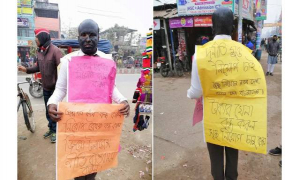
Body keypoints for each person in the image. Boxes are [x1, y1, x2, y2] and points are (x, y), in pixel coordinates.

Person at [187, 7, 265, 180]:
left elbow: (195, 92)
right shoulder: (245, 54)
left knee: (216, 161)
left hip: (213, 118)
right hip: (236, 118)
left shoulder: (201, 54)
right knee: (232, 157)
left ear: (213, 27)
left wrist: (188, 93)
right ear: (232, 28)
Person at [46, 19, 130, 180]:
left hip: (100, 124)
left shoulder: (108, 61)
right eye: (83, 35)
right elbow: (60, 89)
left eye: (92, 35)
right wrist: (51, 104)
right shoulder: (68, 61)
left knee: (94, 164)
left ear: (99, 37)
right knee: (77, 168)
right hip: (76, 125)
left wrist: (122, 100)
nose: (88, 39)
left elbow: (111, 88)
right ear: (78, 38)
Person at [18, 28, 63, 143]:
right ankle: (51, 128)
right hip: (46, 87)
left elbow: (63, 70)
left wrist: (60, 87)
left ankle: (56, 132)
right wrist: (26, 69)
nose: (35, 41)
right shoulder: (40, 51)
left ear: (42, 38)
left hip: (55, 89)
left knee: (55, 111)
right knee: (48, 111)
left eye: (36, 39)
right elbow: (38, 67)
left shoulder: (56, 51)